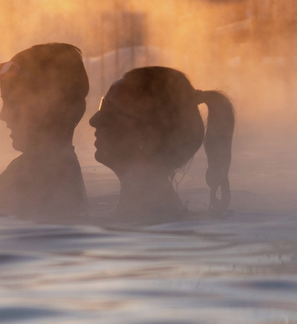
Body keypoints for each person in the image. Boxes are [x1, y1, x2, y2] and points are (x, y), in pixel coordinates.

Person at [87, 65, 234, 223]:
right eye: (102, 105)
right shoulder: (146, 212)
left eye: (110, 111)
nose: (94, 120)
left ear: (148, 136)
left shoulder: (151, 219)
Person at [0, 43, 90, 221]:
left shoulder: (38, 170)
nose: (3, 115)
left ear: (50, 100)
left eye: (13, 103)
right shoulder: (60, 164)